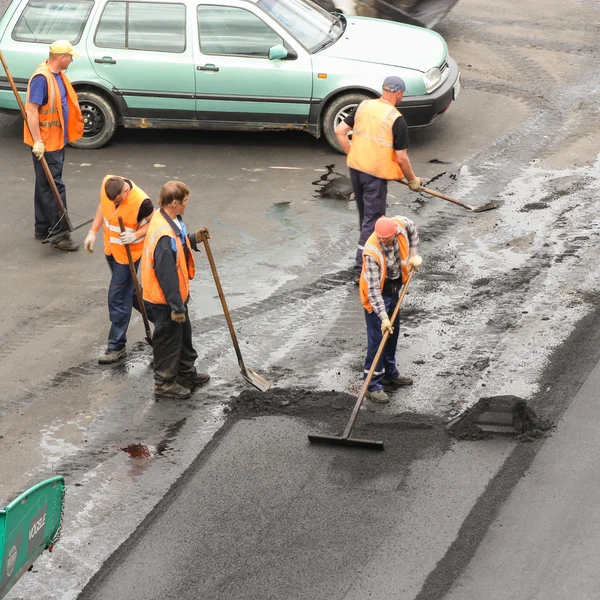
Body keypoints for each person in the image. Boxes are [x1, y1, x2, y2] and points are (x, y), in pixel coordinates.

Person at [334, 75, 421, 284]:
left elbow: (340, 131)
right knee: (372, 223)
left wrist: (352, 154)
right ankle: (362, 270)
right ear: (399, 94)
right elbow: (401, 157)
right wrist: (412, 180)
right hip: (374, 176)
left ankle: (369, 256)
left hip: (356, 169)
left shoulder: (364, 106)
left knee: (366, 218)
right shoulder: (395, 119)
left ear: (384, 90)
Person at [141, 181, 210, 400]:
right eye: (185, 201)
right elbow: (166, 274)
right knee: (168, 340)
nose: (187, 204)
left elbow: (179, 245)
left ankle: (185, 373)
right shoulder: (163, 235)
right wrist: (176, 307)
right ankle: (164, 383)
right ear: (174, 202)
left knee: (183, 336)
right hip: (165, 300)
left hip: (176, 296)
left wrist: (192, 238)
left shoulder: (171, 220)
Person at [84, 176, 154, 363]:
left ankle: (116, 346)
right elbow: (103, 208)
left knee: (118, 297)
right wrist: (93, 231)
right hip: (112, 250)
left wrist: (135, 235)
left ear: (125, 191)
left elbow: (155, 222)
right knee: (130, 294)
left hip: (129, 255)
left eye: (119, 201)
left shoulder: (142, 201)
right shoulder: (107, 183)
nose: (116, 203)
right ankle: (164, 321)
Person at [24, 40, 83, 251]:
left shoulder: (56, 75)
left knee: (44, 183)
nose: (72, 59)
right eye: (70, 56)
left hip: (54, 139)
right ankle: (59, 234)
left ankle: (42, 226)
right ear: (60, 57)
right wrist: (38, 141)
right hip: (47, 142)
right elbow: (31, 110)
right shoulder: (42, 78)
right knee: (53, 185)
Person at [359, 215, 422, 404]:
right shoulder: (371, 252)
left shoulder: (401, 226)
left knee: (393, 335)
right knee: (378, 340)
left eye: (388, 240)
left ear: (394, 232)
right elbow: (372, 291)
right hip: (378, 296)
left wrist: (413, 255)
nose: (385, 244)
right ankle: (372, 385)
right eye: (382, 241)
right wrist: (383, 318)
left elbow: (413, 228)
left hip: (395, 289)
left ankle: (390, 374)